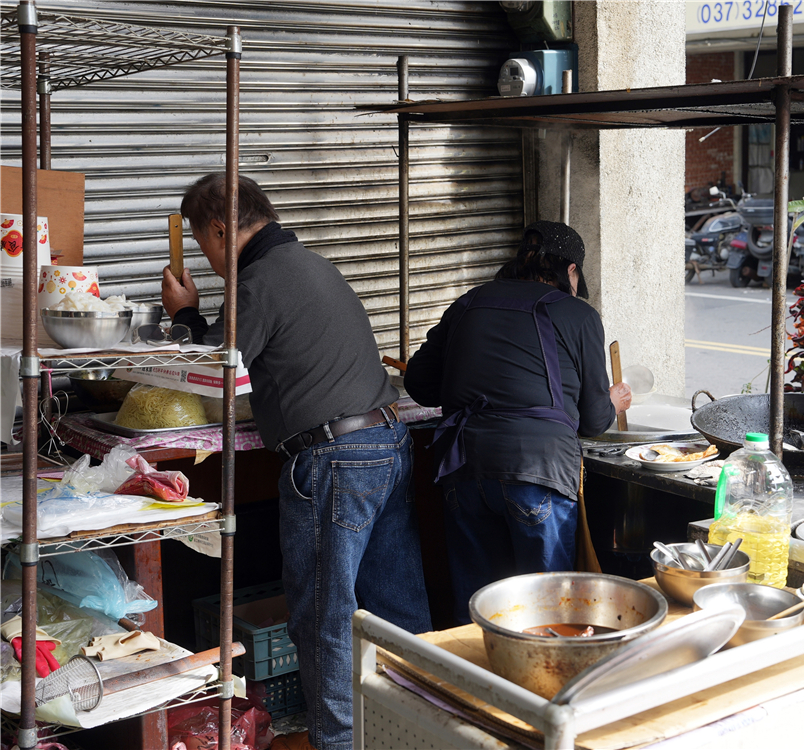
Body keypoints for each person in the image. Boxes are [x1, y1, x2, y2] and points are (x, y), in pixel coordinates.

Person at [161, 173, 432, 750]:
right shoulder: (312, 263)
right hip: (387, 442)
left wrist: (184, 315)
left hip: (335, 460)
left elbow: (216, 368)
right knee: (394, 608)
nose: (205, 255)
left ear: (217, 229)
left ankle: (336, 744)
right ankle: (422, 732)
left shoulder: (256, 280)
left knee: (325, 617)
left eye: (199, 239)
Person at [404, 220, 631, 623]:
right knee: (545, 609)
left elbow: (419, 382)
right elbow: (594, 420)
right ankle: (540, 685)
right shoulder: (578, 313)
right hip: (537, 471)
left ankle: (473, 683)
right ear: (572, 271)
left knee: (477, 608)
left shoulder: (468, 303)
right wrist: (613, 400)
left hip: (465, 468)